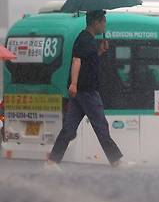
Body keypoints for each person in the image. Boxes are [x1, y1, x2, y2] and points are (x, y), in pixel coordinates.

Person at [45, 10, 127, 170]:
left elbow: (87, 61)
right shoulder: (85, 39)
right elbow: (77, 61)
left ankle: (52, 161)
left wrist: (100, 51)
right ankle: (116, 161)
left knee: (69, 129)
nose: (105, 24)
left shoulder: (88, 40)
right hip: (87, 92)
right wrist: (73, 84)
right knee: (101, 127)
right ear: (95, 22)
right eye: (103, 21)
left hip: (81, 93)